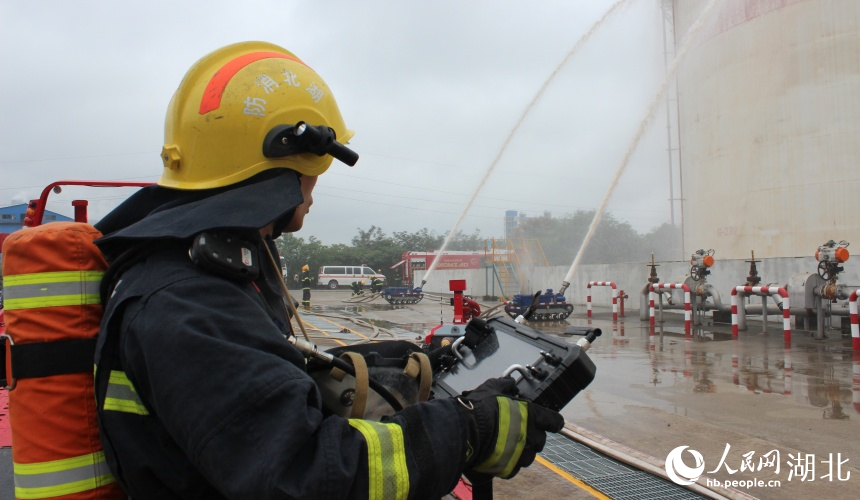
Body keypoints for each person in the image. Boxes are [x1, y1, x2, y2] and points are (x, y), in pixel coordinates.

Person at [91, 41, 562, 499]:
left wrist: (397, 359)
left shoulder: (195, 277)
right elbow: (307, 472)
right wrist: (467, 429)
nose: (314, 188)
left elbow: (257, 382)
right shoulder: (186, 301)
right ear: (287, 156)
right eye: (315, 168)